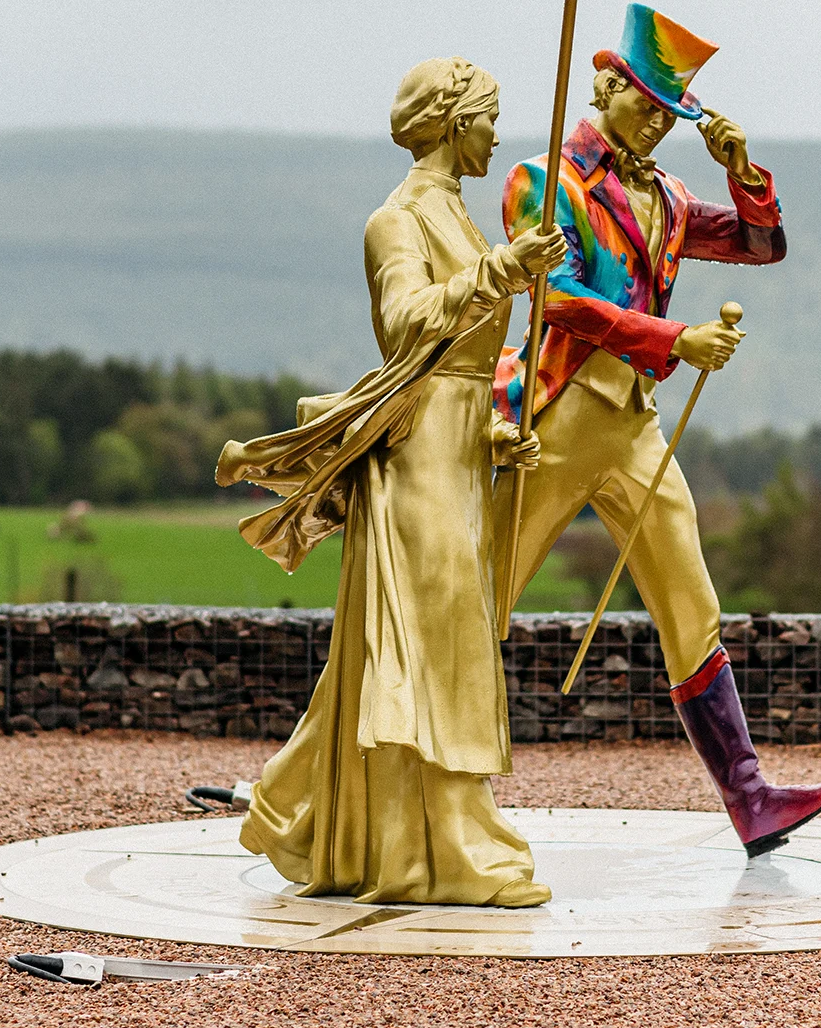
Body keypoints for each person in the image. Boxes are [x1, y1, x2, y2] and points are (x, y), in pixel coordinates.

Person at [495, 4, 821, 854]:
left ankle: (750, 796)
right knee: (478, 601)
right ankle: (398, 779)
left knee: (692, 604)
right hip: (552, 417)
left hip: (631, 428)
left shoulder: (668, 195)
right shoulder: (543, 181)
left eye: (672, 113)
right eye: (648, 104)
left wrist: (742, 172)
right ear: (607, 86)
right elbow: (560, 299)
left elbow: (760, 248)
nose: (658, 123)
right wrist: (673, 340)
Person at [221, 57, 566, 905]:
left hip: (453, 450)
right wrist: (500, 272)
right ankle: (444, 843)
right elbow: (406, 325)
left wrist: (488, 435)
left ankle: (351, 825)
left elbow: (454, 366)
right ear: (451, 122)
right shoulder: (396, 220)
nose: (494, 134)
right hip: (415, 465)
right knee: (433, 640)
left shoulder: (457, 213)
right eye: (486, 117)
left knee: (441, 638)